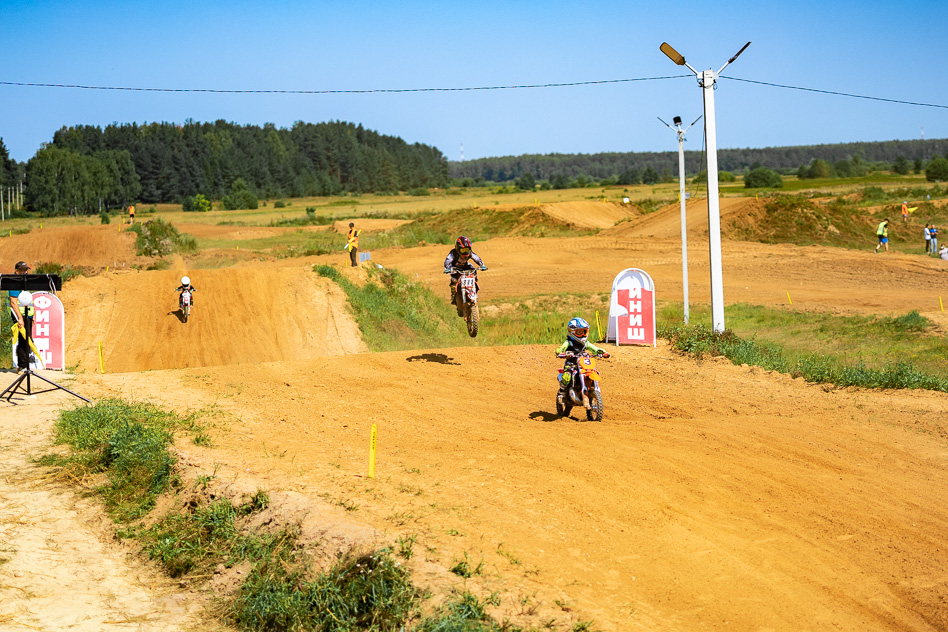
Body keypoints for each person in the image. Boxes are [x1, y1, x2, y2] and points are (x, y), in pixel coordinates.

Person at [554, 317, 608, 406]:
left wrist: (603, 352)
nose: (582, 334)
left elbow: (594, 348)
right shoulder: (569, 342)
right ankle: (562, 393)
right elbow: (561, 347)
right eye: (579, 332)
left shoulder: (585, 343)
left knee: (594, 372)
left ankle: (592, 389)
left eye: (584, 331)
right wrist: (560, 352)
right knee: (567, 375)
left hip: (583, 363)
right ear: (572, 332)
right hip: (572, 363)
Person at [443, 236, 487, 304]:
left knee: (473, 270)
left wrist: (482, 265)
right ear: (458, 249)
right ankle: (454, 295)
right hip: (455, 268)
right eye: (463, 250)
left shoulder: (470, 253)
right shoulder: (453, 253)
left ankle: (473, 288)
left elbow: (476, 258)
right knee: (454, 280)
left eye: (467, 250)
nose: (465, 252)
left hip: (465, 266)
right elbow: (448, 261)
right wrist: (447, 268)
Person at [7, 261, 34, 372]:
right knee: (23, 340)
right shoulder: (14, 282)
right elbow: (13, 302)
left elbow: (28, 300)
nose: (25, 272)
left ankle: (25, 365)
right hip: (20, 315)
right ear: (17, 271)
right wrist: (20, 318)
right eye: (23, 270)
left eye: (26, 270)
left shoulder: (24, 282)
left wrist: (33, 315)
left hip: (28, 315)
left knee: (27, 339)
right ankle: (22, 366)